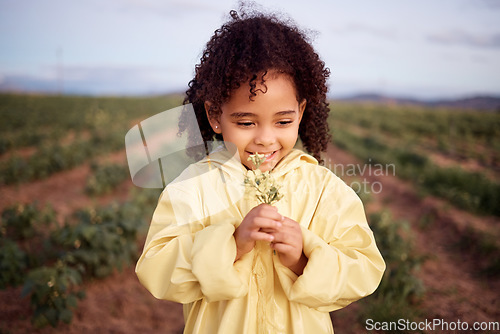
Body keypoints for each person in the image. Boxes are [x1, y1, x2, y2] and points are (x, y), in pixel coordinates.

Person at [136, 7, 385, 334]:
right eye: (246, 122)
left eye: (283, 121)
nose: (265, 139)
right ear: (215, 115)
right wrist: (231, 245)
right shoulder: (193, 189)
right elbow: (155, 269)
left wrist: (303, 258)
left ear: (301, 112)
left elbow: (364, 269)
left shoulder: (323, 189)